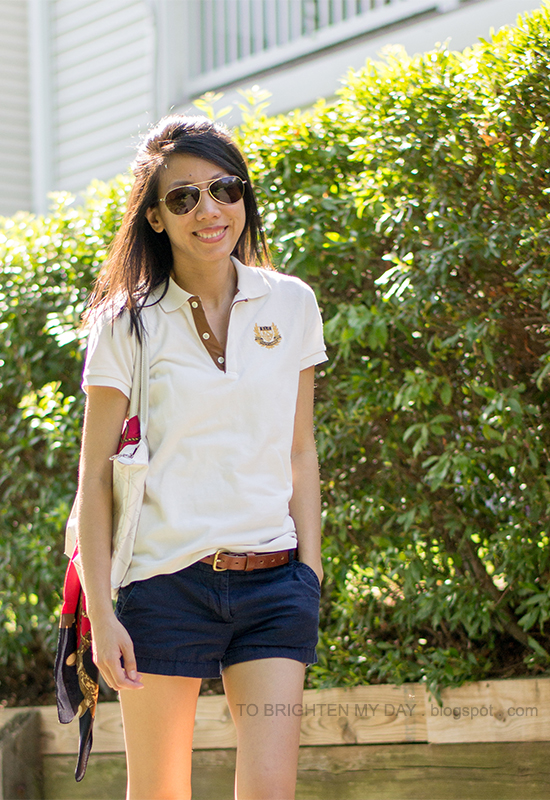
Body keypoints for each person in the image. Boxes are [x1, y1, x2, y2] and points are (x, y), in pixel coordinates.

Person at [76, 115, 327, 800]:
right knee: (159, 792)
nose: (209, 210)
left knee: (271, 791)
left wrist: (310, 571)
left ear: (244, 198)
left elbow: (300, 448)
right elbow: (95, 476)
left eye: (224, 189)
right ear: (154, 217)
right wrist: (102, 614)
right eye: (183, 198)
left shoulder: (292, 304)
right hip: (165, 586)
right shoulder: (125, 324)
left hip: (274, 586)